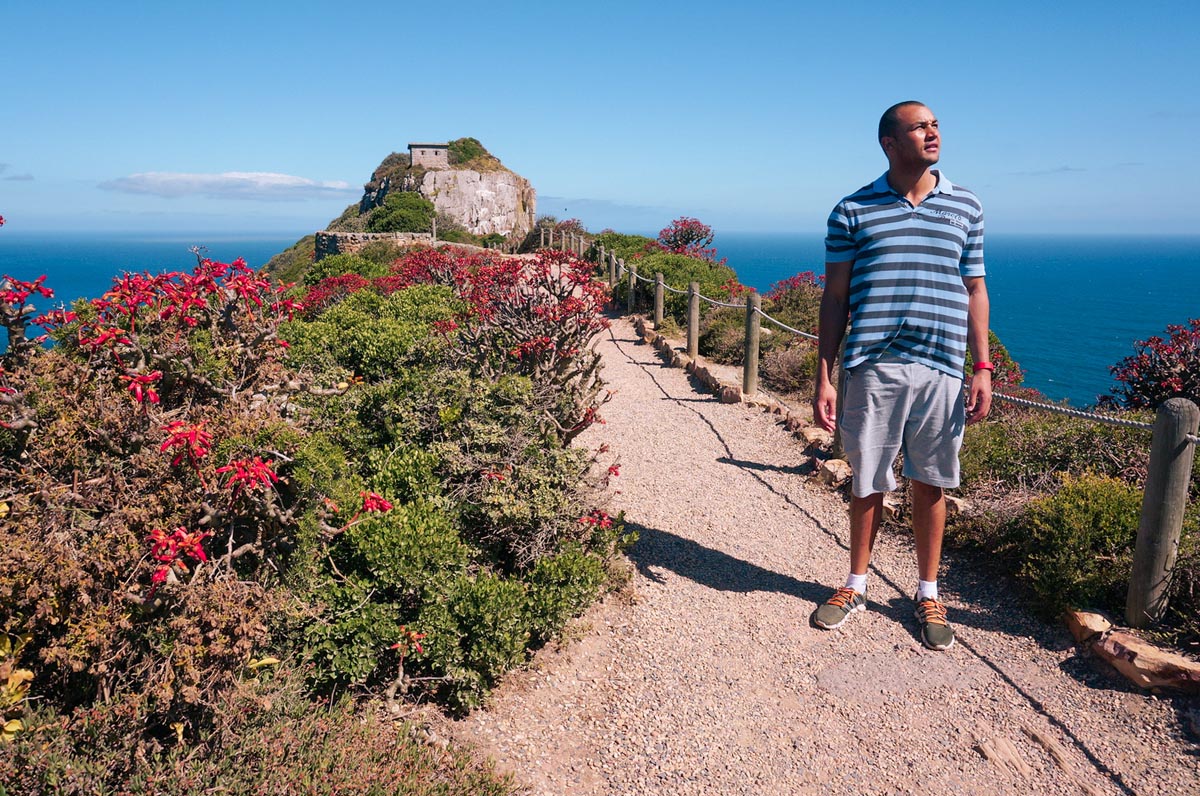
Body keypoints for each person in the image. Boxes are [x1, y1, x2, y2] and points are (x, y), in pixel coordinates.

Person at [810, 101, 992, 651]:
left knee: (931, 478)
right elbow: (835, 296)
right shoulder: (852, 210)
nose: (933, 132)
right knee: (867, 478)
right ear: (890, 143)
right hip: (871, 364)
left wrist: (981, 367)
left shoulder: (967, 206)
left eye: (936, 124)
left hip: (942, 365)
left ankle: (928, 592)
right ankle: (855, 583)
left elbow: (975, 289)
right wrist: (824, 374)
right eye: (920, 126)